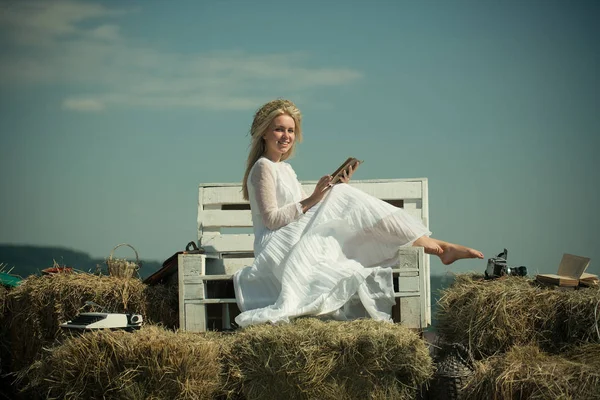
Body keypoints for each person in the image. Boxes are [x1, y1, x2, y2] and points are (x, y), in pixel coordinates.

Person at [233, 99, 483, 328]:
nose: (286, 136)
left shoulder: (284, 168)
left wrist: (333, 190)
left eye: (290, 130)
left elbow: (305, 208)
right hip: (275, 246)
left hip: (290, 236)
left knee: (341, 196)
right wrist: (316, 197)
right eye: (279, 129)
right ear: (264, 132)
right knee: (341, 199)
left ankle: (436, 246)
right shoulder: (262, 168)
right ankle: (437, 246)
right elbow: (272, 220)